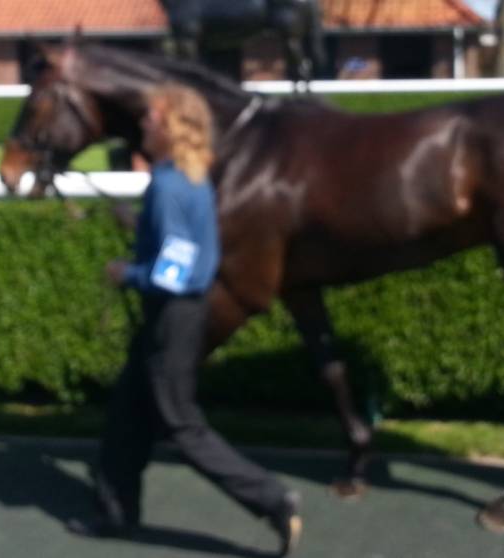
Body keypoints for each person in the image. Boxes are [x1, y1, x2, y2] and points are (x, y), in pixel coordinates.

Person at [67, 84, 302, 556]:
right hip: (178, 316)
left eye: (151, 119)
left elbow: (174, 272)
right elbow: (183, 244)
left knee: (181, 426)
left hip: (172, 318)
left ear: (171, 128)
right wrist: (138, 223)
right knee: (126, 413)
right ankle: (115, 513)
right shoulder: (185, 178)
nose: (143, 124)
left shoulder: (169, 185)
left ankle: (272, 499)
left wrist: (127, 274)